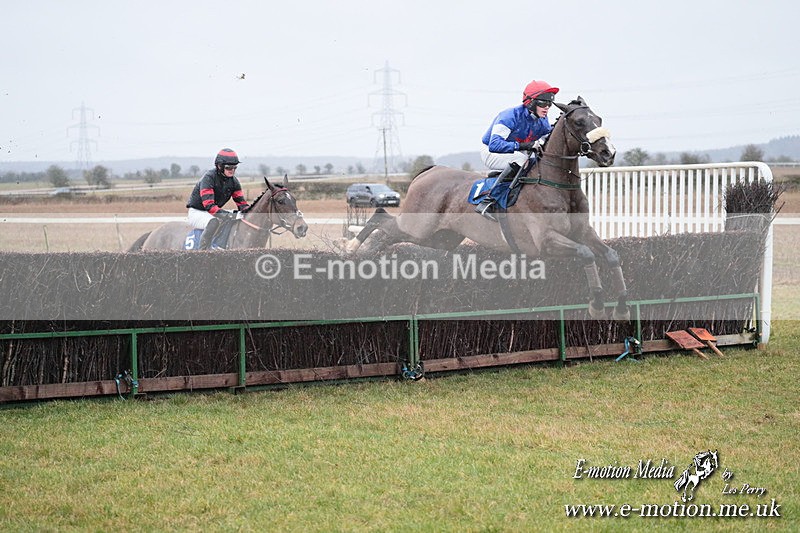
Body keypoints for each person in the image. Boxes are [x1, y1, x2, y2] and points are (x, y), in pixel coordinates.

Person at [475, 80, 559, 219]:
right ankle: (488, 201)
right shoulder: (509, 116)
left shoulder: (543, 120)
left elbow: (546, 140)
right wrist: (524, 146)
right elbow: (494, 145)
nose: (547, 107)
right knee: (521, 159)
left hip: (514, 152)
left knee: (536, 161)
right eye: (543, 103)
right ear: (530, 102)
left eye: (549, 103)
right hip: (491, 152)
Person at [186, 148, 250, 249]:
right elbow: (209, 206)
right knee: (213, 222)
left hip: (213, 212)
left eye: (235, 168)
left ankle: (221, 245)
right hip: (197, 212)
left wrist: (251, 212)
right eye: (229, 168)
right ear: (220, 166)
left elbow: (242, 204)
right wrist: (229, 216)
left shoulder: (234, 182)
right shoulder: (209, 178)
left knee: (235, 216)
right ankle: (202, 252)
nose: (232, 171)